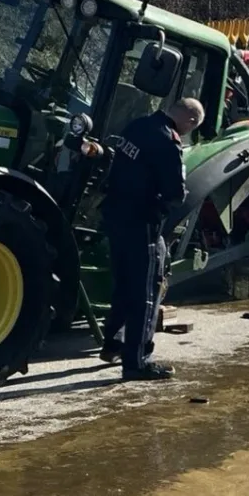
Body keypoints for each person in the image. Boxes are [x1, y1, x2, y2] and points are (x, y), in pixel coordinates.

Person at [89, 98, 204, 381]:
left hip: (115, 217)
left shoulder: (137, 126)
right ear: (188, 122)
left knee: (124, 284)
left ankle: (113, 344)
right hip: (143, 224)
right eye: (193, 128)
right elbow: (176, 192)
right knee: (146, 293)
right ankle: (137, 361)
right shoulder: (168, 141)